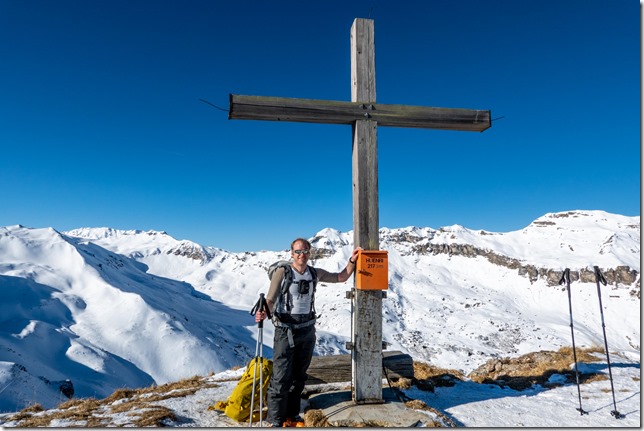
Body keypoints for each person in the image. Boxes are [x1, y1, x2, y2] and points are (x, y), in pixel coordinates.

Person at [255, 238, 361, 427]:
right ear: (291, 253)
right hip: (285, 330)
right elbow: (271, 298)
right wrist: (264, 312)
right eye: (298, 252)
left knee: (299, 375)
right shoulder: (283, 272)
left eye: (305, 251)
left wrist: (352, 261)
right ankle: (276, 420)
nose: (301, 255)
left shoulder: (314, 273)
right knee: (281, 376)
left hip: (307, 329)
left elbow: (341, 277)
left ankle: (292, 415)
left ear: (309, 253)